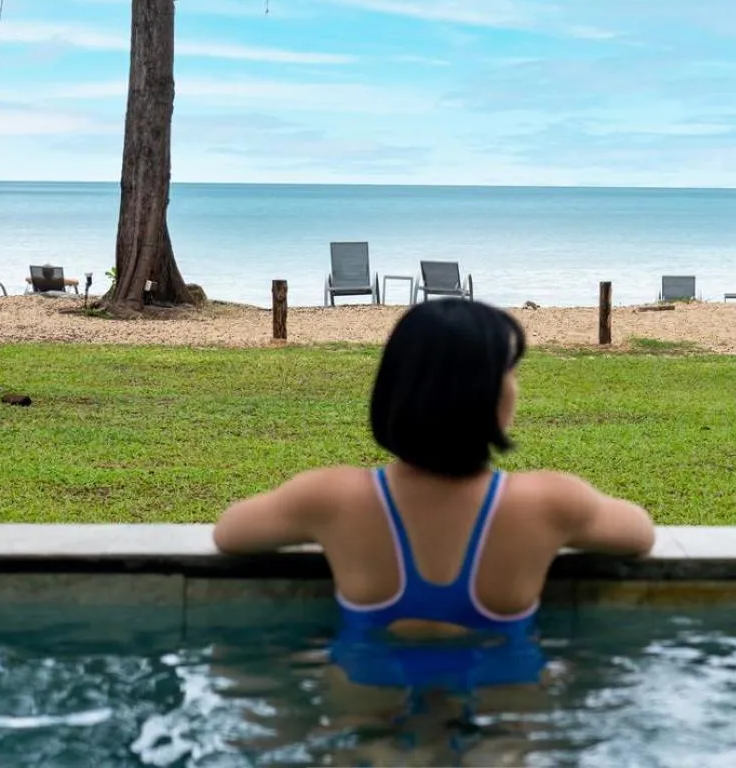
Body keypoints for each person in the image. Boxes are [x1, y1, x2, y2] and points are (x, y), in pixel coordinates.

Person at [212, 297, 655, 693]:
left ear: (393, 392)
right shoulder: (549, 503)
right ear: (493, 397)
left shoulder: (333, 497)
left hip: (369, 717)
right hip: (503, 721)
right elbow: (639, 533)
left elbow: (231, 533)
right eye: (511, 373)